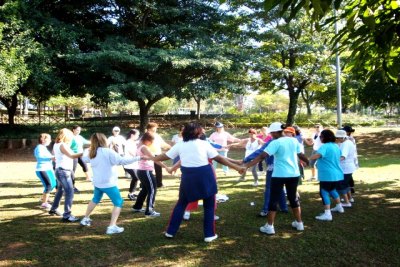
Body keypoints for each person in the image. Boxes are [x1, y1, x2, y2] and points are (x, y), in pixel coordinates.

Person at [151, 122, 245, 242]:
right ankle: (209, 235)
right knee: (209, 206)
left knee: (181, 204)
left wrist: (152, 157)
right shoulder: (203, 144)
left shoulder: (180, 145)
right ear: (198, 132)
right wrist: (236, 168)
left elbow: (165, 156)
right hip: (205, 175)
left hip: (188, 177)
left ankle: (170, 232)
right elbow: (219, 158)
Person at [244, 122, 309, 235]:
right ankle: (299, 223)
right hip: (294, 174)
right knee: (293, 198)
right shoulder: (294, 140)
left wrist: (246, 166)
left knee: (273, 200)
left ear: (275, 132)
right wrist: (307, 161)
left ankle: (269, 226)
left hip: (279, 175)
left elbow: (262, 156)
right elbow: (300, 154)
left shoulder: (275, 143)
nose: (271, 135)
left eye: (271, 133)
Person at [80, 133, 145, 234]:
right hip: (108, 183)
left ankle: (85, 218)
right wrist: (139, 158)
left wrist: (87, 150)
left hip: (98, 182)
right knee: (118, 202)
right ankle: (112, 226)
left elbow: (84, 158)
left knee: (95, 199)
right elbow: (122, 161)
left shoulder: (92, 152)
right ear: (104, 140)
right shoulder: (107, 151)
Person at [310, 129, 344, 221]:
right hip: (337, 174)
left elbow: (317, 155)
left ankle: (327, 214)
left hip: (327, 175)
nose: (320, 138)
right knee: (332, 189)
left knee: (324, 192)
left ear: (325, 137)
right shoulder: (336, 146)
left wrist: (307, 158)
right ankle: (339, 207)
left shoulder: (324, 147)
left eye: (321, 136)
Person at [132, 132, 170, 217]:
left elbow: (151, 158)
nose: (152, 143)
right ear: (147, 140)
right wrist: (166, 167)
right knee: (152, 190)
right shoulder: (144, 147)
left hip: (141, 171)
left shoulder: (139, 146)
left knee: (145, 190)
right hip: (145, 171)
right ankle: (149, 211)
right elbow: (155, 159)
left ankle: (137, 206)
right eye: (151, 141)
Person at [49, 128, 83, 222]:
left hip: (60, 170)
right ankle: (67, 215)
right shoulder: (63, 145)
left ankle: (54, 208)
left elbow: (53, 156)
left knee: (60, 190)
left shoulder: (56, 144)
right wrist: (84, 153)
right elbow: (72, 156)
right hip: (63, 171)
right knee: (69, 192)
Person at [34, 133, 57, 209]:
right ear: (42, 139)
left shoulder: (43, 147)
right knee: (49, 185)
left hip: (48, 169)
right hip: (42, 169)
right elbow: (39, 156)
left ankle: (44, 198)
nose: (50, 140)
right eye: (48, 138)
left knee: (53, 184)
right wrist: (51, 157)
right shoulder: (39, 147)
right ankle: (44, 203)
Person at [335, 129, 357, 207]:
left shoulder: (345, 144)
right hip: (347, 167)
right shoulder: (346, 142)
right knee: (346, 184)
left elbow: (343, 157)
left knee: (341, 185)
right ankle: (349, 198)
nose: (337, 139)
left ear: (342, 137)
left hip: (345, 168)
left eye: (337, 138)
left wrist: (333, 161)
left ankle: (347, 202)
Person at [146, 122, 171, 188]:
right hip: (149, 155)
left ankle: (159, 183)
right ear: (148, 129)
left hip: (157, 154)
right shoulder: (145, 136)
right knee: (148, 170)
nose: (155, 131)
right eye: (153, 129)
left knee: (158, 169)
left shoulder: (157, 136)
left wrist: (170, 147)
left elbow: (162, 143)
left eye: (155, 129)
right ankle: (144, 184)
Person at [70, 125, 91, 191]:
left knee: (85, 165)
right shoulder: (70, 137)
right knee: (73, 170)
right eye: (77, 130)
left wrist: (95, 142)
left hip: (80, 154)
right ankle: (72, 186)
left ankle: (88, 178)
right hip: (74, 155)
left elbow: (86, 142)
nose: (78, 131)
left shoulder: (79, 137)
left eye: (79, 130)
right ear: (73, 130)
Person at [124, 129, 140, 201]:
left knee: (136, 178)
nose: (138, 136)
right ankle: (130, 194)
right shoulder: (128, 142)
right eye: (137, 135)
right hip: (129, 164)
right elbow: (132, 153)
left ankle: (133, 192)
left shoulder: (133, 142)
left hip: (134, 164)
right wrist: (139, 156)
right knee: (136, 178)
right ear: (132, 135)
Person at [342, 125, 358, 198]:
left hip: (349, 161)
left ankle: (349, 193)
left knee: (346, 179)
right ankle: (350, 193)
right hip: (351, 160)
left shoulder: (348, 140)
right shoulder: (349, 139)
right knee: (348, 178)